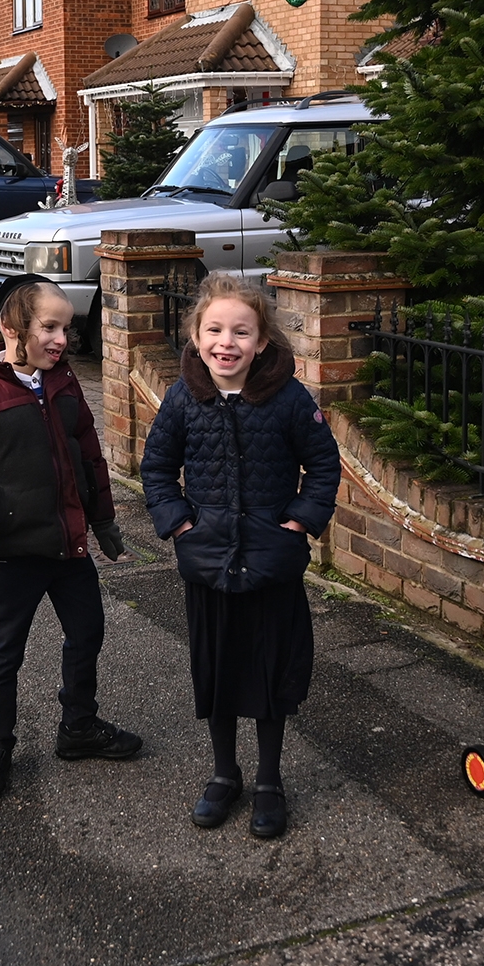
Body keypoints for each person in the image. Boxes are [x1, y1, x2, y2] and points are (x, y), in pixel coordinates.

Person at [0, 273, 140, 803]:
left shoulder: (64, 383)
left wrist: (105, 523)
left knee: (88, 631)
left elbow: (89, 456)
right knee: (5, 653)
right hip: (13, 554)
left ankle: (79, 727)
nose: (62, 339)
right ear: (11, 326)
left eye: (66, 328)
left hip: (69, 547)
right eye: (49, 326)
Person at [141, 273, 341, 839]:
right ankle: (224, 775)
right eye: (214, 329)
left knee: (272, 674)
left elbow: (324, 466)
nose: (226, 342)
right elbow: (156, 466)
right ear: (196, 335)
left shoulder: (289, 399)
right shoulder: (184, 396)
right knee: (218, 671)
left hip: (271, 563)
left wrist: (300, 521)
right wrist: (179, 523)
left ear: (262, 341)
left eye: (241, 332)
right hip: (207, 563)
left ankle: (271, 781)